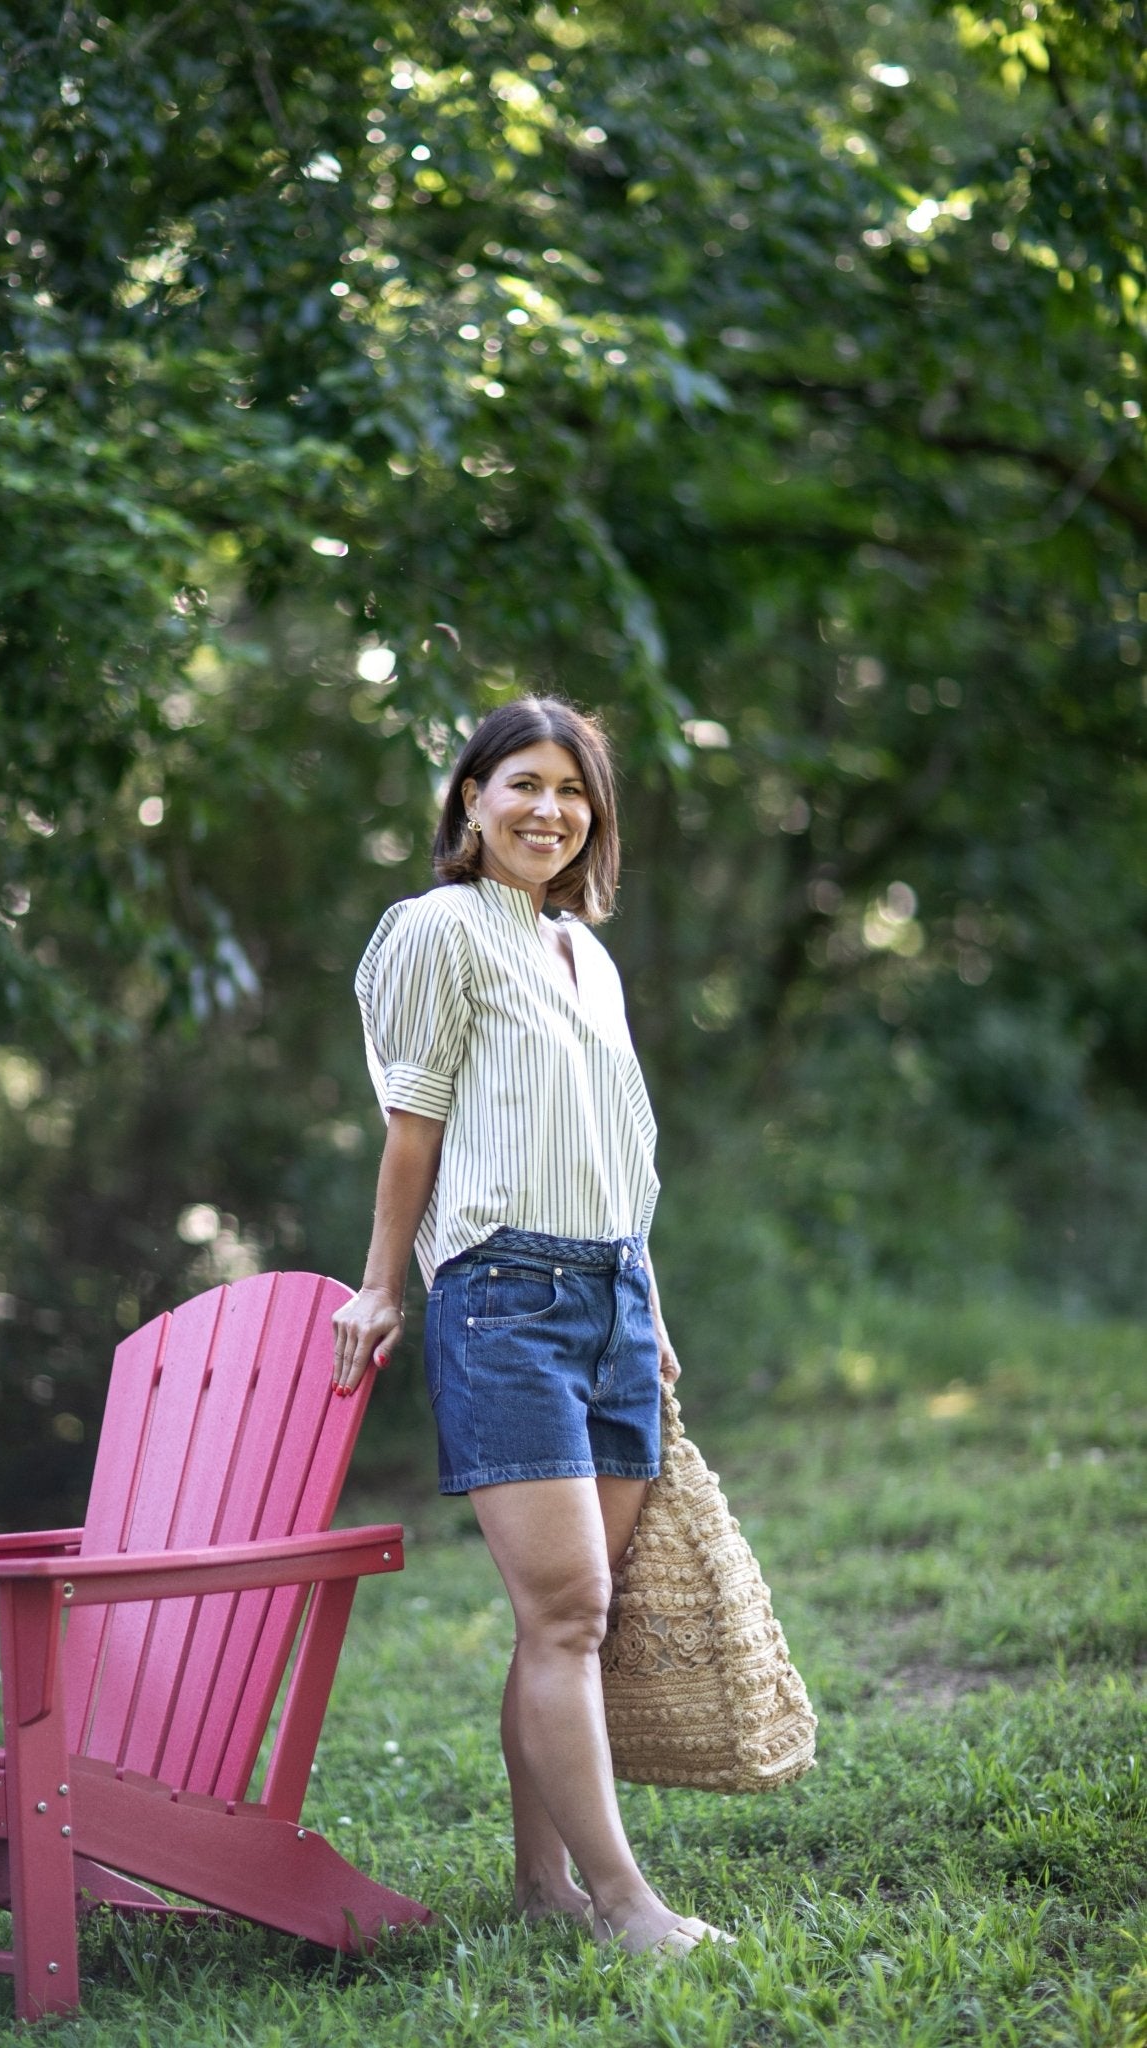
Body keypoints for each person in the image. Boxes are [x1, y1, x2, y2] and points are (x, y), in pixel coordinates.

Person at [331, 695, 732, 1957]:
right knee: (564, 1611)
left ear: (592, 815)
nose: (547, 808)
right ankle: (627, 1904)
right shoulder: (437, 929)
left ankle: (543, 1883)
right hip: (505, 1296)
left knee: (577, 1616)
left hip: (613, 1294)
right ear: (469, 799)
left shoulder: (587, 955)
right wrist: (383, 1281)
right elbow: (416, 1120)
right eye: (521, 782)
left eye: (571, 788)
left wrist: (649, 1303)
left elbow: (620, 1149)